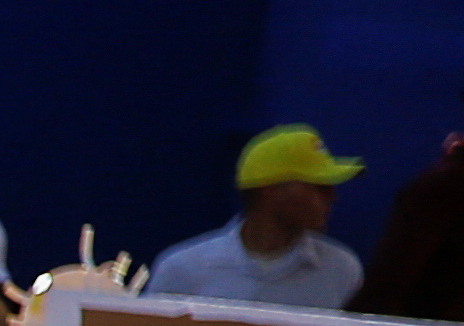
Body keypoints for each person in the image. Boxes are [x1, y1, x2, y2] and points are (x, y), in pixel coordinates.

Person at [149, 121, 370, 312]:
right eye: (319, 187)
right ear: (270, 191)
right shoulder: (181, 270)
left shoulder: (342, 270)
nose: (332, 197)